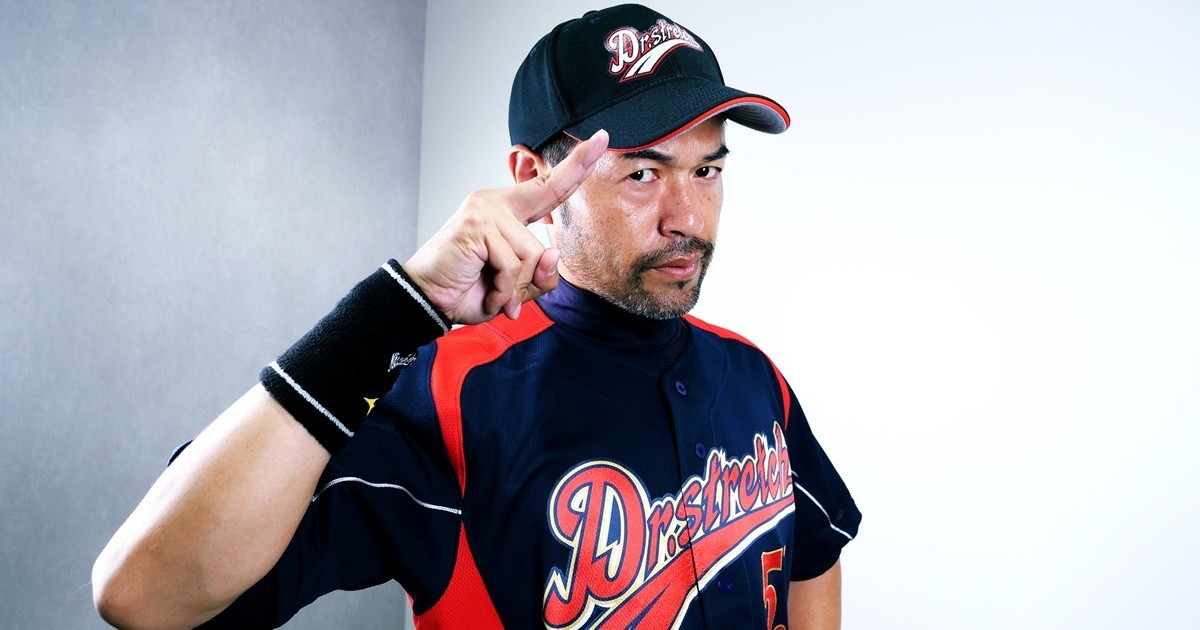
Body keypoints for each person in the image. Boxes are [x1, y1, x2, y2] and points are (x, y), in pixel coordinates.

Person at [92, 4, 861, 628]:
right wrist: (395, 308)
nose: (687, 217)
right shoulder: (449, 393)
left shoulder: (754, 375)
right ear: (533, 174)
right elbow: (145, 595)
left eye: (707, 170)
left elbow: (814, 553)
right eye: (641, 174)